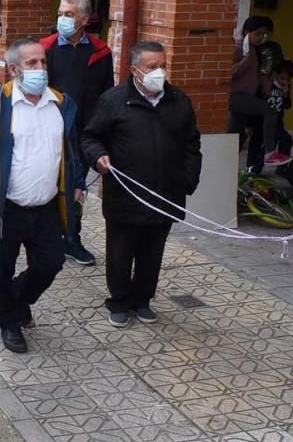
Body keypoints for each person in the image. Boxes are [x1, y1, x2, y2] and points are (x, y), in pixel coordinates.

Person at [0, 37, 85, 354]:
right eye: (32, 63)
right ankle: (10, 322)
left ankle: (17, 300)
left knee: (51, 263)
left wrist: (78, 182)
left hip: (45, 207)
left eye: (43, 62)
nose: (41, 68)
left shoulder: (61, 104)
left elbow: (70, 152)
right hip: (3, 207)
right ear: (15, 69)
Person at [79, 41, 202, 327]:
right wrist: (98, 157)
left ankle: (143, 299)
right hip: (125, 195)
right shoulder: (114, 100)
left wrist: (187, 179)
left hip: (165, 194)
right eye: (152, 67)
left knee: (152, 253)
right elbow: (90, 137)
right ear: (135, 70)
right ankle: (119, 301)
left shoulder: (179, 101)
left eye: (163, 66)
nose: (159, 72)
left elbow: (191, 144)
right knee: (121, 253)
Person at [41, 0, 115, 268]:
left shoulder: (100, 52)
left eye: (69, 15)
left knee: (76, 188)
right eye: (60, 13)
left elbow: (107, 95)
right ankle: (47, 239)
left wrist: (103, 132)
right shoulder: (46, 49)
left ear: (84, 19)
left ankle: (72, 238)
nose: (62, 19)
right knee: (48, 185)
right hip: (50, 133)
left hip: (84, 134)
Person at [229, 15, 284, 173]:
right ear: (247, 31)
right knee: (270, 110)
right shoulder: (238, 48)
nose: (261, 38)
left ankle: (228, 168)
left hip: (246, 96)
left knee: (236, 137)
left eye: (264, 34)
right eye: (258, 34)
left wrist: (265, 80)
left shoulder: (253, 49)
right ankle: (269, 152)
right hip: (236, 96)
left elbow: (255, 72)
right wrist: (246, 58)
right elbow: (231, 73)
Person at [263, 59, 293, 165]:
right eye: (282, 78)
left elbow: (287, 106)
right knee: (263, 147)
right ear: (276, 75)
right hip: (264, 123)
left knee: (286, 140)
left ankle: (282, 166)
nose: (284, 82)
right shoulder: (267, 86)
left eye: (288, 79)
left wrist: (286, 94)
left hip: (278, 123)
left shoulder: (285, 88)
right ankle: (254, 169)